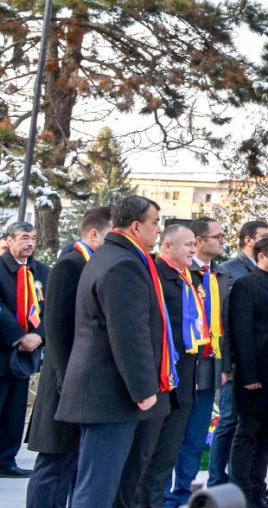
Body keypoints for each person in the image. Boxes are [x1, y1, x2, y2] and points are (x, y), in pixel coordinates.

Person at [57, 196, 172, 507]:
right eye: (154, 223)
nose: (158, 230)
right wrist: (144, 388)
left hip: (113, 393)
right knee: (97, 489)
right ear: (136, 226)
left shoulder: (115, 256)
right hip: (111, 394)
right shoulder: (124, 264)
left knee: (116, 486)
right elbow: (128, 332)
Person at [25, 206, 111, 508]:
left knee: (72, 461)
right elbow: (57, 327)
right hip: (64, 381)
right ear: (94, 234)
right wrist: (65, 378)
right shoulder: (71, 264)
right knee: (54, 461)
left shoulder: (94, 264)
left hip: (78, 381)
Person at [131, 224, 205, 508]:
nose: (192, 250)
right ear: (167, 247)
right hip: (158, 378)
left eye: (194, 244)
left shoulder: (189, 279)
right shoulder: (153, 275)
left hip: (184, 379)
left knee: (167, 453)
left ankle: (156, 502)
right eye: (187, 244)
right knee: (144, 453)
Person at [164, 217, 228, 508]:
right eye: (218, 236)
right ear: (199, 241)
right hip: (179, 368)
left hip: (209, 366)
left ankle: (182, 492)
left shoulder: (221, 276)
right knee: (169, 436)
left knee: (195, 436)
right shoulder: (177, 272)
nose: (223, 241)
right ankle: (162, 494)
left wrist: (225, 364)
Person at [227, 235, 268, 508]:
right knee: (247, 433)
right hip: (255, 374)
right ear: (261, 256)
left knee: (267, 435)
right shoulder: (245, 285)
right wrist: (249, 376)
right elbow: (241, 333)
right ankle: (241, 494)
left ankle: (258, 491)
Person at [209, 219, 268, 488]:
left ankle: (243, 478)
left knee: (249, 424)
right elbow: (224, 318)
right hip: (235, 359)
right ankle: (217, 478)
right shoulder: (229, 271)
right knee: (229, 421)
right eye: (264, 236)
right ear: (249, 240)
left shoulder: (264, 273)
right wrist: (227, 361)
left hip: (257, 361)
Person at [0, 219, 49, 477]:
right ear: (9, 241)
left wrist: (38, 336)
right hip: (4, 347)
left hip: (27, 354)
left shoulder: (39, 271)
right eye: (23, 238)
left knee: (15, 409)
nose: (30, 243)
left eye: (33, 238)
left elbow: (48, 306)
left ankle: (6, 459)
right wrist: (19, 336)